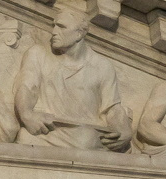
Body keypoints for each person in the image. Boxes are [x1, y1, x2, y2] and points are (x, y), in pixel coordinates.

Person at [12, 12, 131, 152]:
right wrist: (26, 114)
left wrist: (124, 130)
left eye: (61, 27)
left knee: (86, 141)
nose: (54, 32)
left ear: (79, 34)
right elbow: (26, 86)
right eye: (54, 26)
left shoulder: (102, 66)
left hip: (85, 134)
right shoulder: (37, 53)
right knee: (24, 137)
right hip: (46, 132)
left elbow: (112, 108)